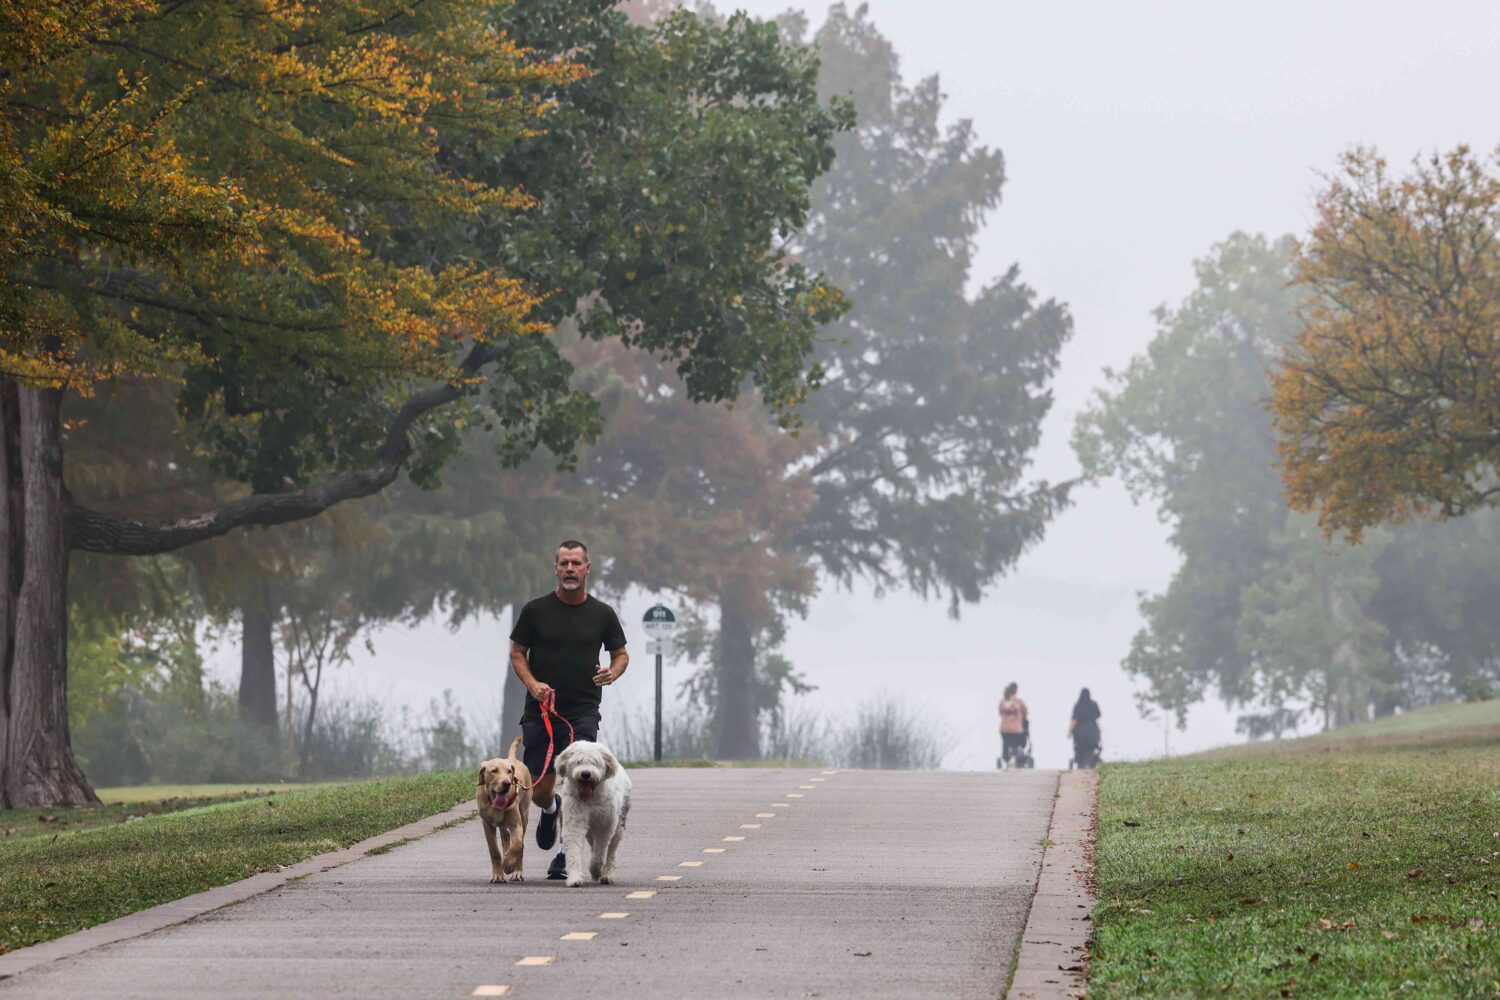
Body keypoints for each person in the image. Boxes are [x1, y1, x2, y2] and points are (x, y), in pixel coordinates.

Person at [510, 540, 628, 879]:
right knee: (540, 788)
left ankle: (564, 855)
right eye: (564, 564)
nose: (570, 570)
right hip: (541, 711)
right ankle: (551, 809)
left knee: (581, 782)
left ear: (587, 568)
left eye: (576, 563)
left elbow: (620, 654)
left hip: (583, 710)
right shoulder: (535, 611)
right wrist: (533, 685)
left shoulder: (602, 613)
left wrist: (613, 671)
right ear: (556, 568)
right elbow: (518, 653)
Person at [1069, 688, 1102, 768]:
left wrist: (1069, 731)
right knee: (1093, 747)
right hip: (1093, 731)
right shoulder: (1093, 704)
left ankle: (1080, 763)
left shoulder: (1078, 705)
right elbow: (1099, 715)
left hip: (1081, 732)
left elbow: (1074, 720)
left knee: (1080, 748)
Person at [998, 682, 1028, 767]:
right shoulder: (1018, 701)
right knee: (1014, 745)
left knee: (1005, 744)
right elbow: (1025, 712)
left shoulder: (1002, 702)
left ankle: (1005, 759)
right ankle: (1014, 760)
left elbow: (1000, 713)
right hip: (1016, 728)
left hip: (1004, 728)